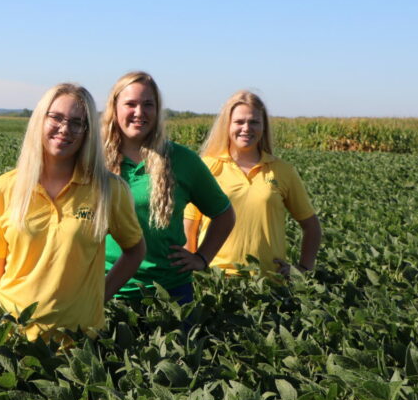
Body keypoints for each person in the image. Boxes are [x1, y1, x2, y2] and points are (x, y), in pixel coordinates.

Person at [0, 83, 147, 341]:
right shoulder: (5, 188)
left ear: (87, 132)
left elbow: (135, 250)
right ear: (40, 120)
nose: (65, 129)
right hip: (12, 337)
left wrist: (100, 296)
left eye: (77, 123)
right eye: (56, 117)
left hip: (78, 343)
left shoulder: (109, 190)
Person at [102, 72, 236, 304]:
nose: (139, 112)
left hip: (170, 293)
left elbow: (223, 214)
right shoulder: (93, 160)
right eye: (130, 104)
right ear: (114, 108)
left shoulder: (182, 160)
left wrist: (202, 258)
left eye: (148, 105)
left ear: (157, 111)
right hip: (107, 290)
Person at [184, 90, 321, 276]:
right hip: (216, 282)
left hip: (269, 283)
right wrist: (191, 268)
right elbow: (189, 227)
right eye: (239, 122)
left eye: (254, 122)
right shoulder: (206, 168)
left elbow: (311, 226)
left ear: (263, 126)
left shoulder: (283, 170)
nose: (246, 128)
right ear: (227, 125)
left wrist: (303, 269)